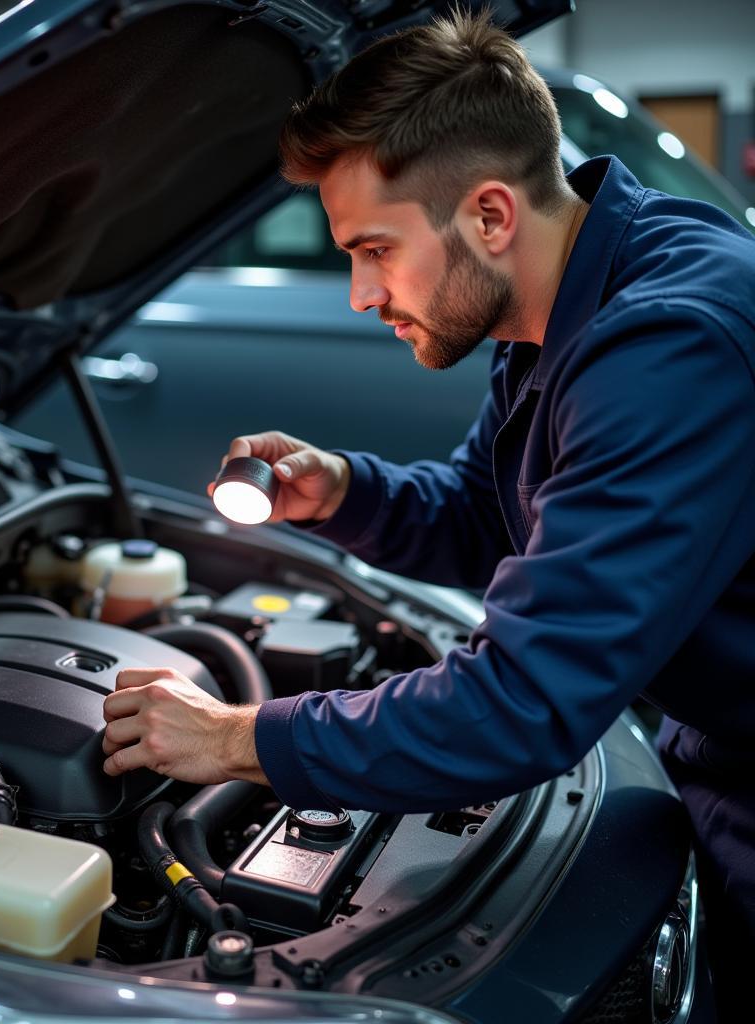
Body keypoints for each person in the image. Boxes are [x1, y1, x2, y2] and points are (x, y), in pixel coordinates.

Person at [100, 10, 755, 1009]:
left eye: (374, 249)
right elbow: (492, 517)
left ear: (489, 215)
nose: (361, 294)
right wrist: (342, 491)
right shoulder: (572, 292)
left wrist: (237, 739)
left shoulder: (667, 349)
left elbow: (523, 705)